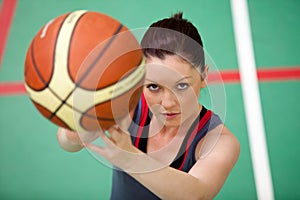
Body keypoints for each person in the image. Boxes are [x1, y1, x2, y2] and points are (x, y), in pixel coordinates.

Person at [57, 12, 240, 200]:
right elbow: (67, 143)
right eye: (154, 87)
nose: (167, 103)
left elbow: (195, 195)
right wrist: (75, 130)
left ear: (203, 76)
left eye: (182, 86)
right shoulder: (128, 105)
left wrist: (129, 158)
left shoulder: (218, 141)